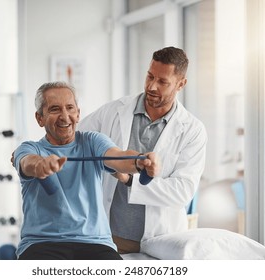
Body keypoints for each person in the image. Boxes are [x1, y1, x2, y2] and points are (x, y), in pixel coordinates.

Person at [78, 46, 207, 254]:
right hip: (109, 237)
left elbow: (182, 191)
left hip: (159, 240)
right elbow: (74, 139)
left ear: (181, 84)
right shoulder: (114, 110)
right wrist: (35, 152)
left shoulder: (192, 130)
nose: (152, 86)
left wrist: (130, 179)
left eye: (163, 81)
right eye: (149, 76)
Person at [12, 81, 160, 260]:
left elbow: (118, 157)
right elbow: (28, 163)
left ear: (78, 113)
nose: (65, 116)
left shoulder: (92, 141)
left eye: (70, 108)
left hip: (95, 243)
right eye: (55, 109)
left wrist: (140, 161)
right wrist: (41, 166)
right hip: (42, 243)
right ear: (39, 118)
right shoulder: (30, 148)